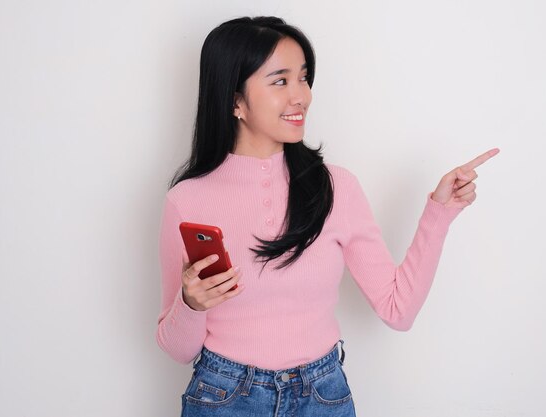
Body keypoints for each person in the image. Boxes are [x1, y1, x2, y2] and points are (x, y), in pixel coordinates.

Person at [156, 16, 499, 417]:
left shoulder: (336, 187)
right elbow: (178, 349)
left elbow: (398, 310)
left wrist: (440, 212)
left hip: (321, 395)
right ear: (235, 101)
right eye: (280, 81)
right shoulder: (187, 200)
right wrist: (191, 304)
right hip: (224, 396)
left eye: (303, 78)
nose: (301, 96)